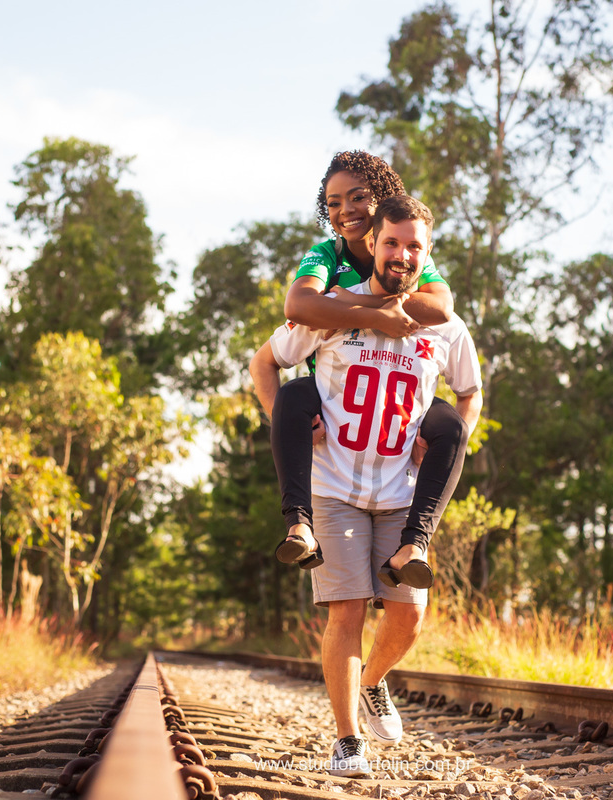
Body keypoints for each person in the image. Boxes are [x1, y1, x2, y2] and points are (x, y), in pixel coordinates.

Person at [250, 196, 483, 777]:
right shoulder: (331, 310)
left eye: (414, 247)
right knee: (346, 611)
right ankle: (348, 741)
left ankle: (373, 682)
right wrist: (292, 428)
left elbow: (469, 394)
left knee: (409, 615)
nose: (401, 255)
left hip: (401, 490)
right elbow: (266, 360)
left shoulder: (447, 329)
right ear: (373, 242)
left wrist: (445, 437)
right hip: (334, 486)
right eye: (392, 243)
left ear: (426, 256)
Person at [268, 151, 469, 585]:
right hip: (335, 394)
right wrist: (376, 314)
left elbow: (440, 309)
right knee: (294, 394)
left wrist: (342, 300)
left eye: (357, 197)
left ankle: (414, 544)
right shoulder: (326, 254)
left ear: (382, 200)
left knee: (446, 421)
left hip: (393, 401)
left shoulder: (408, 252)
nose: (345, 211)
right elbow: (298, 305)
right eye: (334, 202)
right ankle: (298, 522)